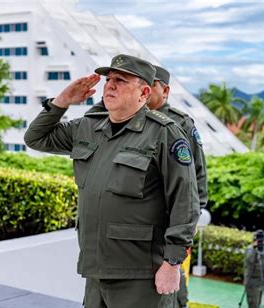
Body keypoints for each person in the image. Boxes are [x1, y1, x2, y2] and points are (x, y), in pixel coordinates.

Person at [24, 54, 200, 308]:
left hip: (141, 276)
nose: (110, 86)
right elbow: (35, 138)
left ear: (144, 92)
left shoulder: (164, 133)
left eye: (120, 80)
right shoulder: (88, 127)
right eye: (108, 80)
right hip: (95, 271)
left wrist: (172, 263)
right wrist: (63, 101)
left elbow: (185, 200)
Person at [85, 64, 208, 209]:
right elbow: (90, 124)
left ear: (165, 91)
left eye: (152, 84)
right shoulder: (125, 116)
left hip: (162, 210)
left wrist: (195, 211)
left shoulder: (180, 122)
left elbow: (197, 170)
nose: (146, 90)